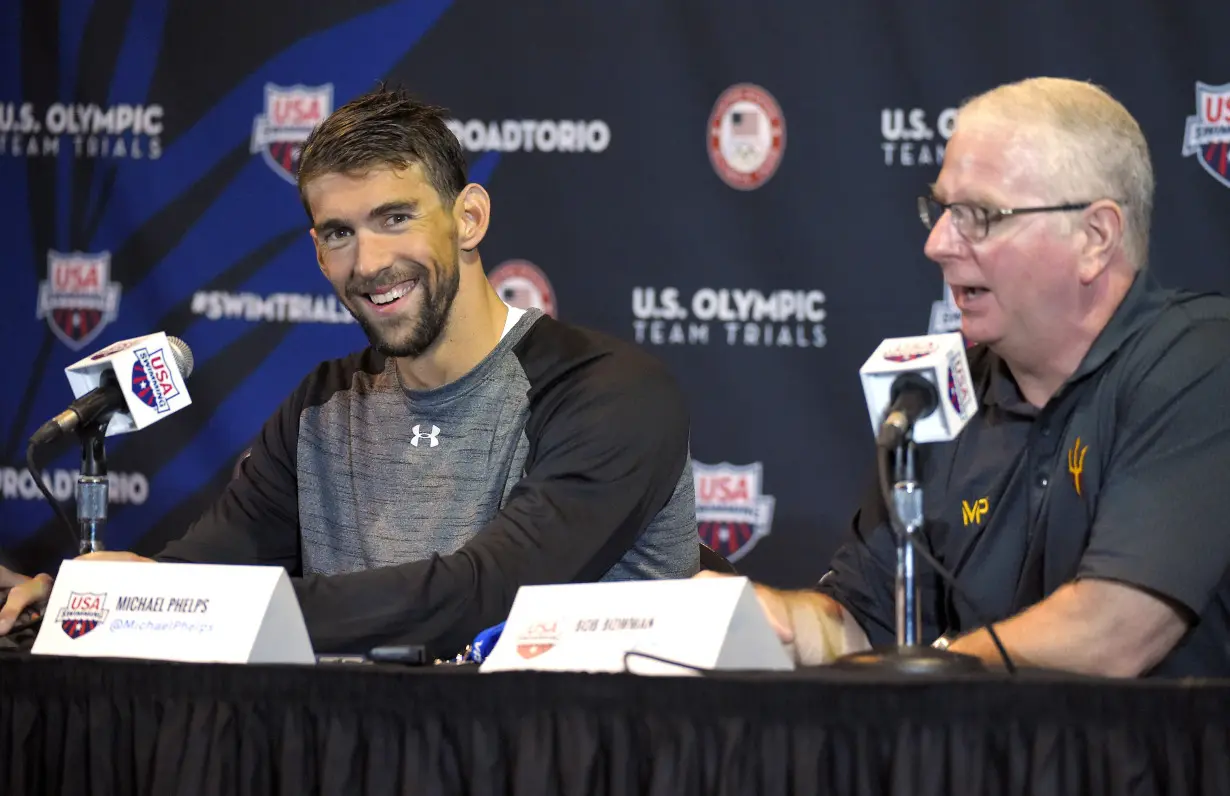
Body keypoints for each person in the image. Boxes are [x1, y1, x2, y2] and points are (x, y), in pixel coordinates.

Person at [0, 86, 700, 657]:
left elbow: (488, 597)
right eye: (339, 233)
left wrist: (233, 610)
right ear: (315, 250)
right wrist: (80, 597)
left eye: (395, 218)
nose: (366, 264)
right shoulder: (323, 404)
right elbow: (206, 572)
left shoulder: (607, 392)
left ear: (470, 219)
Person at [699, 77, 1230, 678]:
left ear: (1094, 237)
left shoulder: (1201, 363)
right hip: (975, 769)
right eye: (941, 210)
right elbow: (857, 628)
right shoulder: (932, 397)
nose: (936, 244)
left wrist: (931, 667)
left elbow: (1114, 630)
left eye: (979, 215)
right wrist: (769, 618)